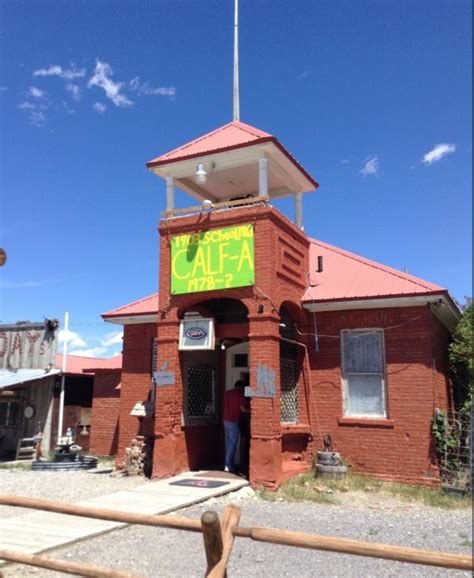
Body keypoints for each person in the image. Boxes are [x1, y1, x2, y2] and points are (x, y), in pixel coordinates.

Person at [223, 380, 247, 472]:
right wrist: (249, 410)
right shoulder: (240, 395)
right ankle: (228, 464)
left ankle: (229, 463)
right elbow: (242, 409)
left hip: (225, 420)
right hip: (234, 420)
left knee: (228, 442)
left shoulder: (227, 393)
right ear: (241, 387)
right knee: (233, 443)